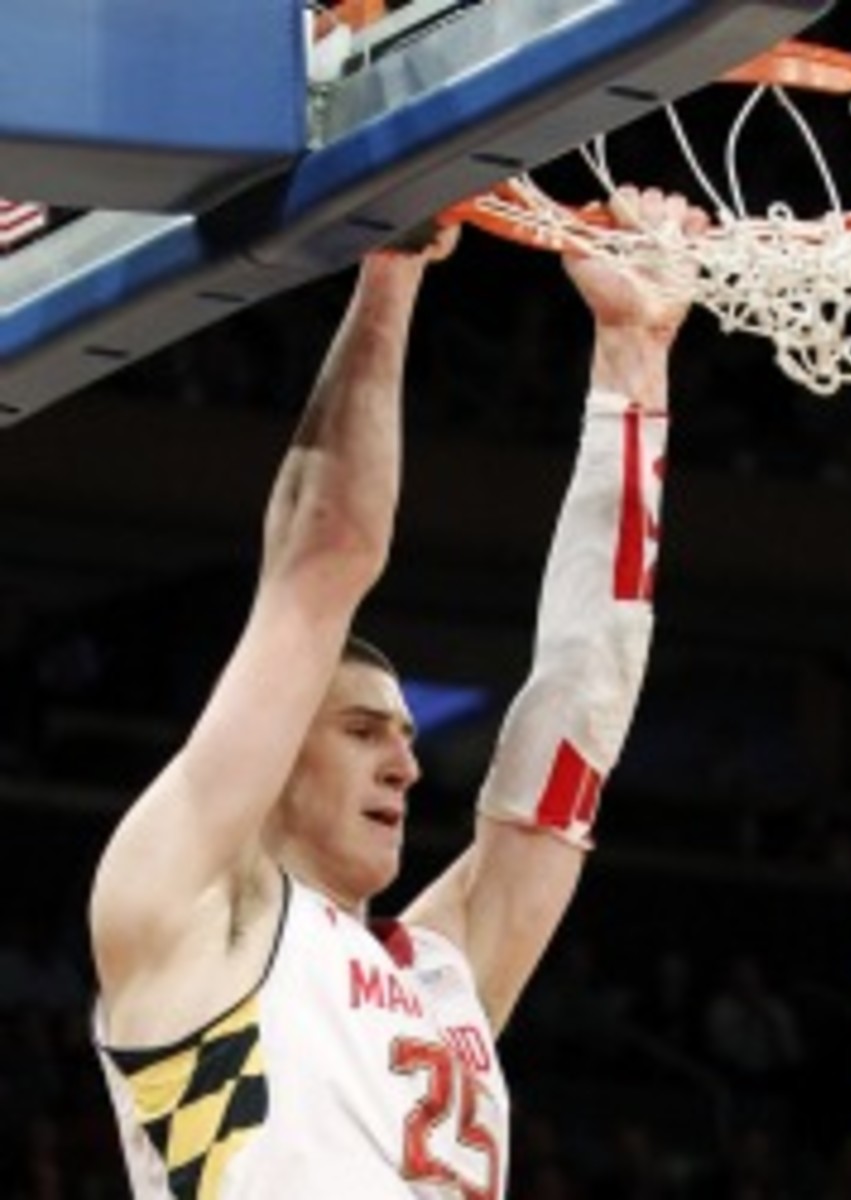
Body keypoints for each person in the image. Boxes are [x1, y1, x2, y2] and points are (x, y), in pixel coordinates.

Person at [87, 186, 708, 1199]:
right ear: (278, 743)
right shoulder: (187, 905)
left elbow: (578, 714)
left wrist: (633, 360)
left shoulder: (440, 972)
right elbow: (322, 557)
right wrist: (391, 269)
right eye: (364, 729)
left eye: (407, 735)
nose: (408, 763)